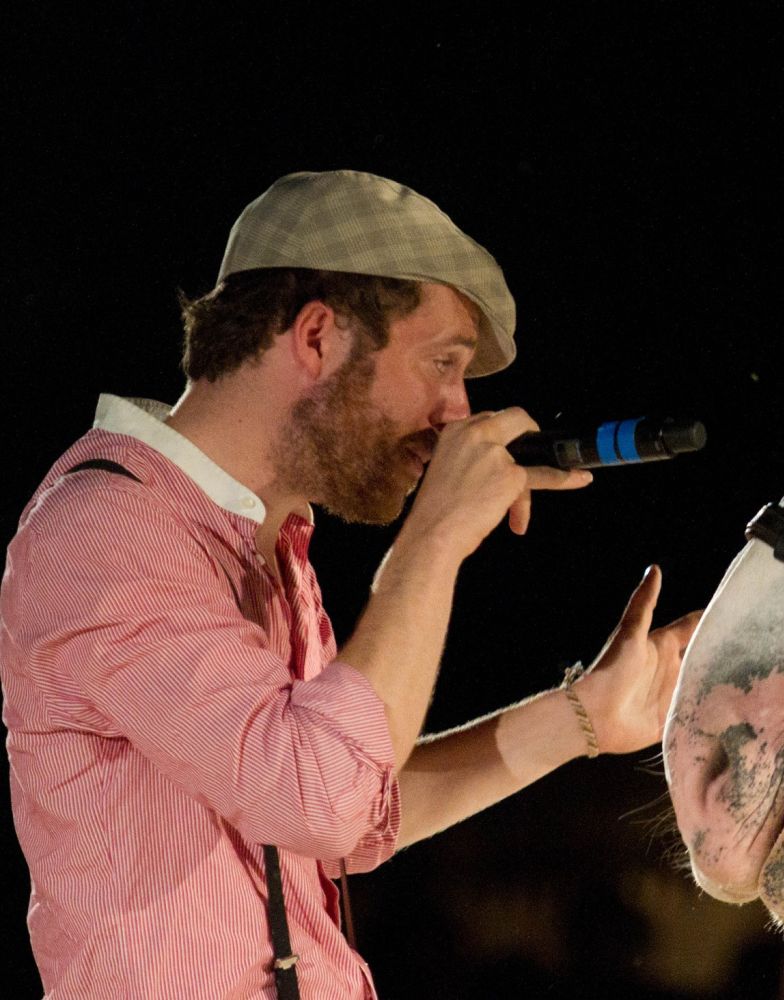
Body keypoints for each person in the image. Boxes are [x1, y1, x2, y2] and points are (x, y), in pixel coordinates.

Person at [0, 170, 701, 998]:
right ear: (317, 337)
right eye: (441, 363)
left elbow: (353, 818)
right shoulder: (107, 530)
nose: (457, 410)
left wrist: (580, 715)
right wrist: (433, 540)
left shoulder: (268, 546)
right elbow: (322, 800)